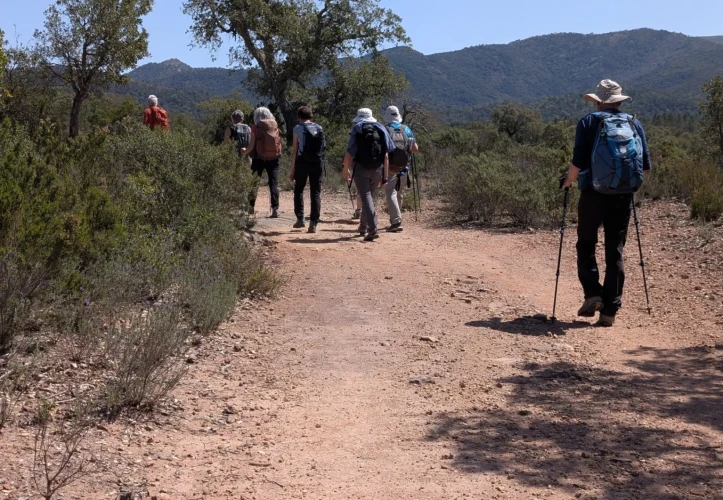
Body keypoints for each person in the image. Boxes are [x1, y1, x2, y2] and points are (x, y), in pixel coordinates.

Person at [562, 80, 651, 327]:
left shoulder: (588, 122)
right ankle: (610, 311)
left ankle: (593, 294)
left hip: (593, 194)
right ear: (619, 101)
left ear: (598, 101)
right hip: (623, 196)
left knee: (586, 244)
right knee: (615, 251)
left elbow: (578, 161)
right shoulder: (633, 123)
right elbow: (645, 167)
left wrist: (568, 181)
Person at [342, 108, 395, 242]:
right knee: (369, 198)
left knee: (365, 197)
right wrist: (385, 177)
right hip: (377, 169)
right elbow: (386, 156)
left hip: (361, 169)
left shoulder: (357, 129)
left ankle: (372, 229)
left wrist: (345, 169)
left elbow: (349, 154)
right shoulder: (381, 129)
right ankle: (363, 227)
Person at [383, 105, 419, 232]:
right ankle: (396, 219)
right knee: (399, 193)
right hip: (404, 167)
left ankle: (396, 222)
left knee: (391, 192)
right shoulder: (406, 129)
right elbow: (415, 148)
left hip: (390, 167)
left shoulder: (385, 129)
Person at [290, 106, 325, 233]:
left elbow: (295, 150)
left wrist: (292, 169)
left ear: (299, 116)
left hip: (302, 162)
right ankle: (313, 223)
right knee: (315, 192)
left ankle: (300, 219)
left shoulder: (297, 128)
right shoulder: (319, 128)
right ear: (311, 116)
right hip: (317, 162)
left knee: (299, 189)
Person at [247, 106, 282, 218]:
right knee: (273, 183)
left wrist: (245, 151)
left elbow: (252, 145)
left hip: (258, 158)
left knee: (254, 182)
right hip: (273, 158)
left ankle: (251, 207)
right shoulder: (274, 126)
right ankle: (275, 208)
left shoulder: (255, 127)